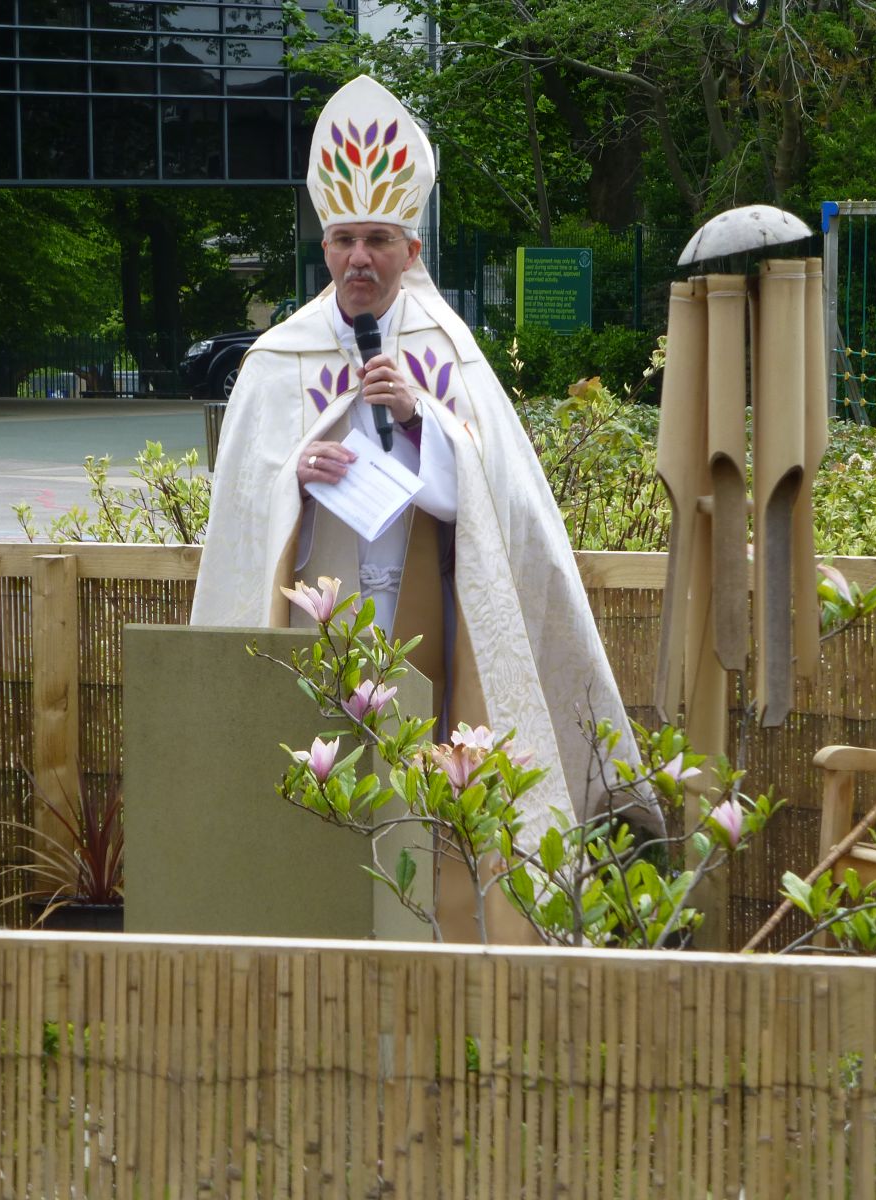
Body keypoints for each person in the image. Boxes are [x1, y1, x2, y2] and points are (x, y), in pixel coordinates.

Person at [191, 76, 663, 934]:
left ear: (411, 249)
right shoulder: (276, 358)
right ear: (324, 247)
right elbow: (242, 512)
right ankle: (313, 924)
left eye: (377, 240)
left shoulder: (446, 351)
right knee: (320, 784)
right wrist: (290, 473)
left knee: (424, 786)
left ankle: (431, 932)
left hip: (424, 616)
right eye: (343, 240)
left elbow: (496, 503)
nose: (358, 259)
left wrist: (423, 422)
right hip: (315, 616)